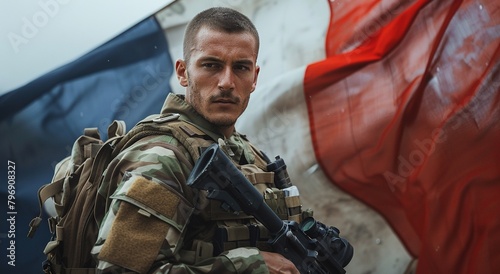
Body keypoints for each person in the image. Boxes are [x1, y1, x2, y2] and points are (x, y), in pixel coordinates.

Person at [91, 7, 303, 274]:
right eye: (211, 65)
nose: (227, 82)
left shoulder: (250, 154)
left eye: (240, 68)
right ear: (182, 72)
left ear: (254, 78)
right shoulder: (162, 156)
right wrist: (245, 268)